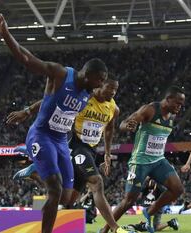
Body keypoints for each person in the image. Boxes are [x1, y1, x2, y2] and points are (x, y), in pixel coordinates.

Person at [0, 12, 108, 233]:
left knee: (67, 197)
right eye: (100, 80)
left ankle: (35, 169)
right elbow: (26, 58)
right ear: (89, 74)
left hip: (61, 141)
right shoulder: (60, 74)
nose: (101, 86)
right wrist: (5, 33)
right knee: (54, 188)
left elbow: (53, 104)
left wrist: (28, 109)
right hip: (42, 135)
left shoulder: (87, 94)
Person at [7, 77, 133, 233]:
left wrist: (107, 154)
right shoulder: (85, 97)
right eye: (110, 88)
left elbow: (109, 130)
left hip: (91, 151)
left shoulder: (114, 108)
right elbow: (51, 101)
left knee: (67, 201)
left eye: (116, 89)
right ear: (101, 85)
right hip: (76, 146)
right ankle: (114, 228)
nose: (113, 92)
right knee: (96, 182)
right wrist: (27, 111)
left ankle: (36, 175)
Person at [101, 86, 186, 233]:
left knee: (177, 189)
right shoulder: (150, 110)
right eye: (178, 103)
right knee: (129, 201)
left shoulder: (172, 116)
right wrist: (127, 125)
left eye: (181, 104)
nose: (180, 107)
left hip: (158, 160)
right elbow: (123, 123)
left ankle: (150, 211)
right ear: (168, 99)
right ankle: (105, 229)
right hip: (140, 162)